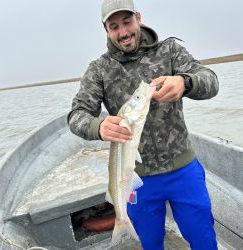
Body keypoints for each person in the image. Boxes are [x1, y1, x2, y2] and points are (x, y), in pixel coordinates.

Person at [67, 0, 219, 249]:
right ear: (106, 29)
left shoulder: (169, 50)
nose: (123, 32)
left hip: (183, 169)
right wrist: (99, 126)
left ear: (138, 17)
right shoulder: (99, 70)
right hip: (137, 179)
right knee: (150, 243)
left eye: (127, 22)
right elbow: (76, 115)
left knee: (204, 239)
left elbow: (210, 81)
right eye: (114, 26)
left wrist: (185, 82)